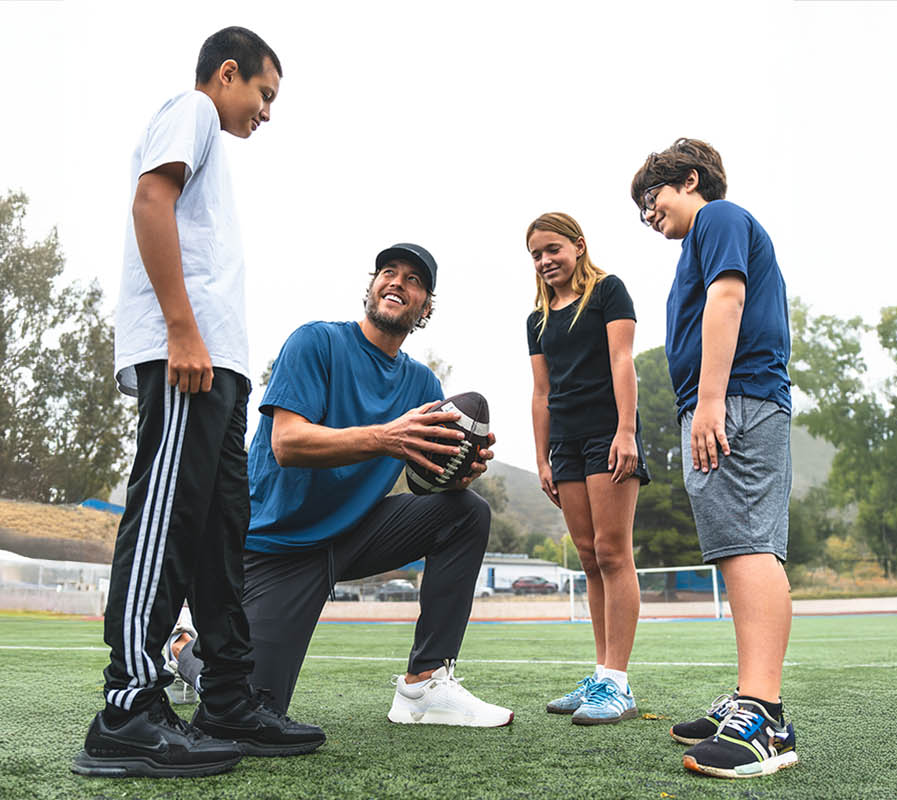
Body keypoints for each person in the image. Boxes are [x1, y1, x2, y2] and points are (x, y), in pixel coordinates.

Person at [75, 26, 325, 780]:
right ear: (227, 74)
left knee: (220, 529)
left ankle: (225, 699)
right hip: (186, 358)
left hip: (221, 367)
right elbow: (151, 201)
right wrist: (183, 330)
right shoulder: (191, 109)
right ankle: (126, 706)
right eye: (265, 94)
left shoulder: (212, 137)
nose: (268, 112)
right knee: (167, 515)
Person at [166, 242, 513, 731]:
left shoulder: (423, 388)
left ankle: (424, 684)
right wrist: (388, 437)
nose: (397, 281)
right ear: (370, 287)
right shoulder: (316, 343)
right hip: (276, 544)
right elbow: (288, 444)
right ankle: (182, 648)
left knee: (465, 512)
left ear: (426, 307)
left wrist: (456, 472)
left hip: (353, 534)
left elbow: (422, 486)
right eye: (388, 272)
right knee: (252, 705)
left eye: (414, 280)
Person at [632, 138, 798, 779]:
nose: (649, 214)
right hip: (733, 399)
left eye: (653, 198)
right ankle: (752, 698)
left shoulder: (719, 218)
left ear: (691, 180)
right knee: (745, 547)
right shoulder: (697, 241)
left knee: (747, 546)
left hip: (735, 399)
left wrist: (709, 401)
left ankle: (764, 718)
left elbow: (728, 300)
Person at [525, 212, 650, 725]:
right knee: (588, 556)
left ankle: (618, 684)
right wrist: (542, 458)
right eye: (535, 254)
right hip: (566, 446)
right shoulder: (536, 320)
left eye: (552, 248)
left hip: (608, 434)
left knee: (613, 552)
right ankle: (600, 674)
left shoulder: (608, 292)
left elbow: (623, 361)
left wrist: (626, 432)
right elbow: (542, 393)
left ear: (577, 246)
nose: (544, 260)